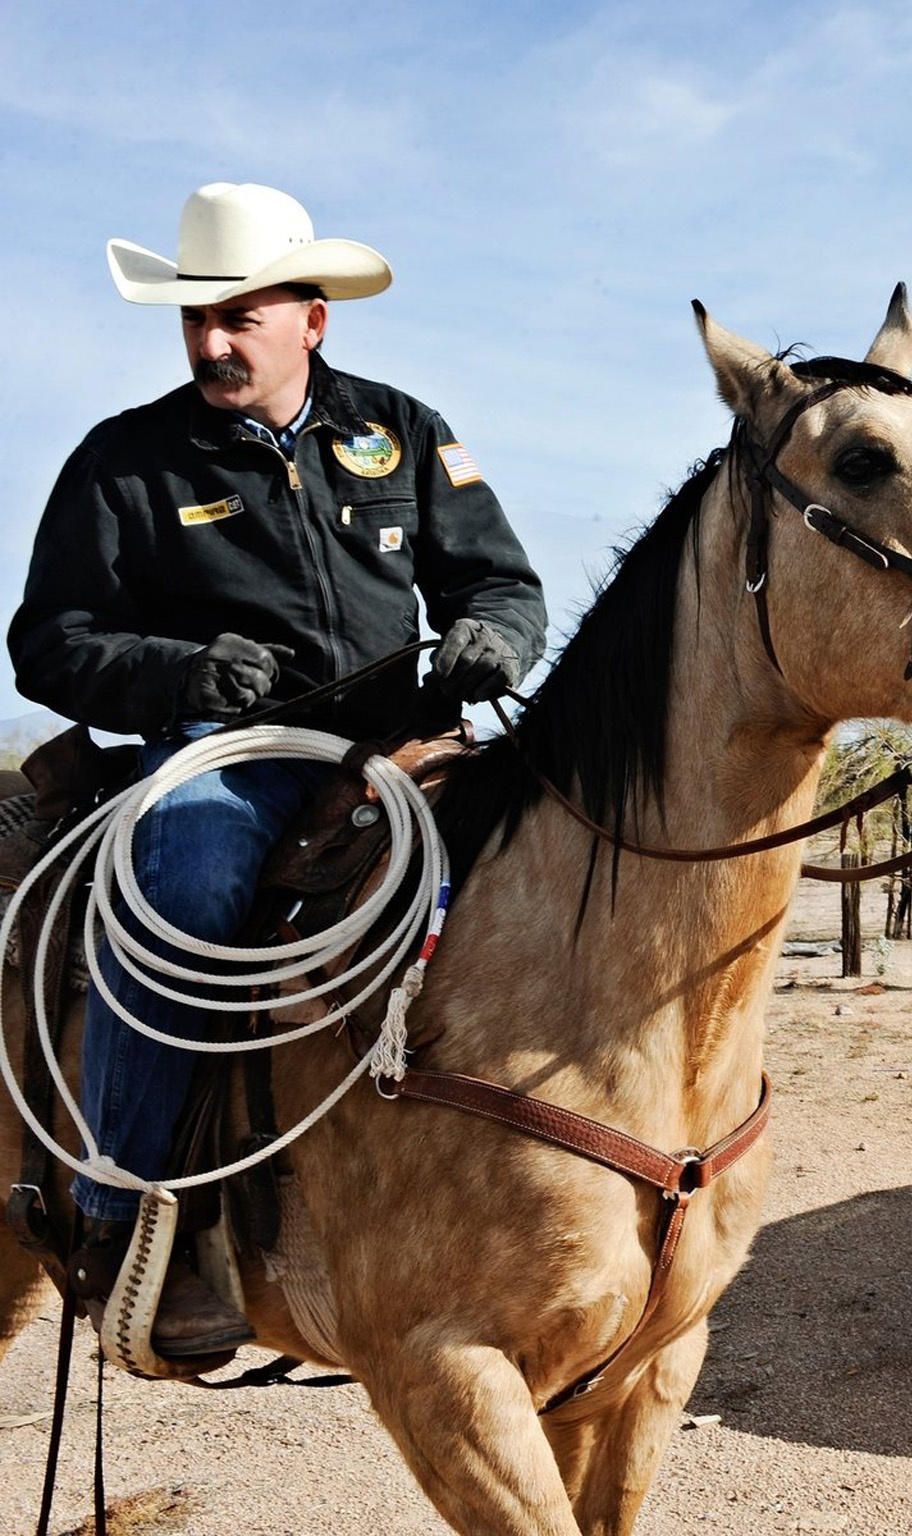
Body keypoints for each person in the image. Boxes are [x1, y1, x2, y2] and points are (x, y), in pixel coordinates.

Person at [7, 182, 547, 1358]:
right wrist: (180, 673)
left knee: (559, 857)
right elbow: (49, 641)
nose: (211, 340)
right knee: (183, 881)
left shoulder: (398, 428)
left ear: (312, 318)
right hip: (230, 757)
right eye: (196, 318)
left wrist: (496, 639)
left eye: (239, 315)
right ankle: (129, 1213)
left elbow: (497, 581)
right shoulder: (126, 461)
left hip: (406, 745)